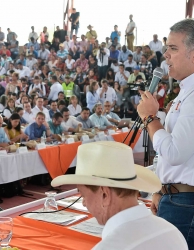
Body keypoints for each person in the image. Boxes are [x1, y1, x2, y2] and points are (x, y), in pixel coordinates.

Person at [51, 141, 187, 250]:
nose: (84, 203)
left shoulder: (110, 246)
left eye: (83, 195)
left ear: (105, 195)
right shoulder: (171, 231)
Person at [137, 19, 194, 249]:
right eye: (166, 48)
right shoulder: (185, 93)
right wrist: (161, 189)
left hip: (185, 203)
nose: (166, 56)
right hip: (176, 198)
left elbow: (175, 153)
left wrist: (151, 119)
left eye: (173, 48)